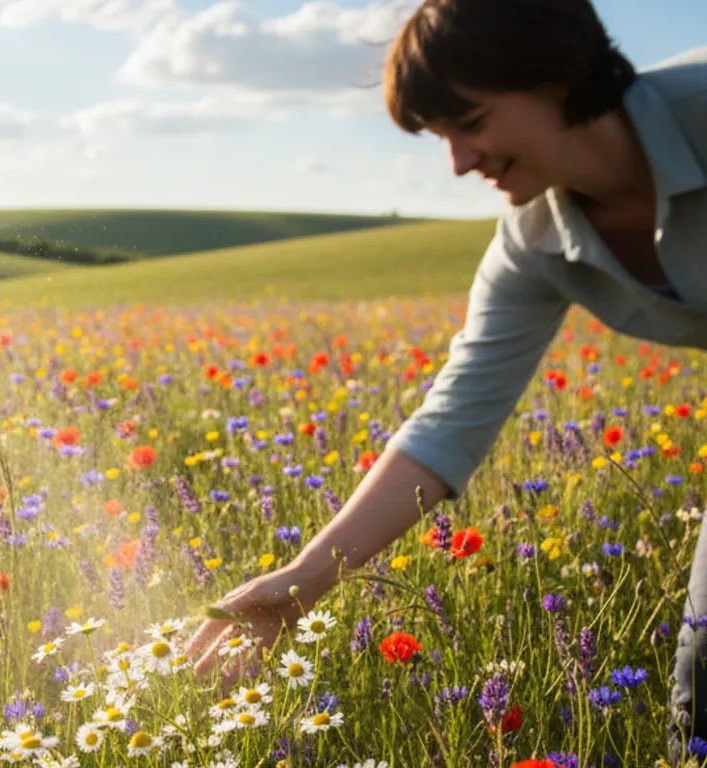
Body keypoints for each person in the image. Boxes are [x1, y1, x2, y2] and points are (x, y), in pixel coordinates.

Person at [182, 0, 707, 760]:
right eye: (440, 138)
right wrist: (300, 583)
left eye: (471, 122)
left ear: (555, 79)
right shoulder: (533, 243)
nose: (459, 163)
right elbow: (449, 424)